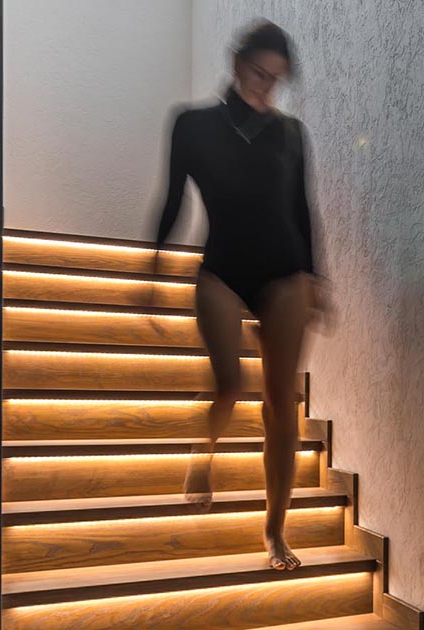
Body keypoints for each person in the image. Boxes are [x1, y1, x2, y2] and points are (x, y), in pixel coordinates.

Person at [149, 19, 335, 571]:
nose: (266, 87)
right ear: (236, 63)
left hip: (283, 276)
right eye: (259, 73)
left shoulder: (291, 134)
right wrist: (155, 264)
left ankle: (274, 531)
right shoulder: (191, 124)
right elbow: (172, 198)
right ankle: (201, 452)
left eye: (276, 80)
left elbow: (303, 209)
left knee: (283, 406)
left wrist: (316, 279)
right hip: (221, 270)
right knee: (229, 385)